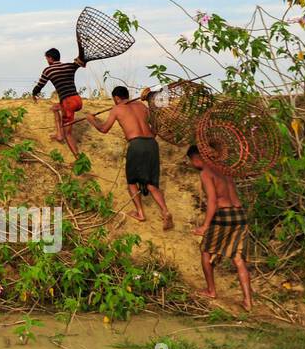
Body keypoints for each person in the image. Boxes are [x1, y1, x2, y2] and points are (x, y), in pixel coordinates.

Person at [87, 85, 173, 228]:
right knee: (152, 183)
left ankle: (140, 213)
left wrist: (92, 119)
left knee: (132, 181)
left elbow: (104, 129)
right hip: (152, 144)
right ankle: (165, 212)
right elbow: (156, 127)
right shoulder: (141, 106)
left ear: (116, 98)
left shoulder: (117, 109)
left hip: (136, 145)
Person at [188, 144, 254, 310]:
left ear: (197, 158)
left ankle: (211, 290)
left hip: (223, 215)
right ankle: (248, 301)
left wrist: (205, 226)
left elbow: (212, 201)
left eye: (191, 160)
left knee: (205, 251)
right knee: (238, 258)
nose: (191, 164)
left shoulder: (206, 173)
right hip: (239, 215)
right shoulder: (224, 169)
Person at [31, 47, 86, 158]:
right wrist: (80, 60)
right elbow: (80, 63)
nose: (47, 61)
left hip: (68, 102)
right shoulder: (69, 66)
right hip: (77, 100)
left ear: (50, 58)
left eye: (47, 59)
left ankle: (78, 159)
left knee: (68, 134)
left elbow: (40, 85)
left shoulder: (48, 70)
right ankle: (59, 134)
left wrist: (34, 93)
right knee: (55, 108)